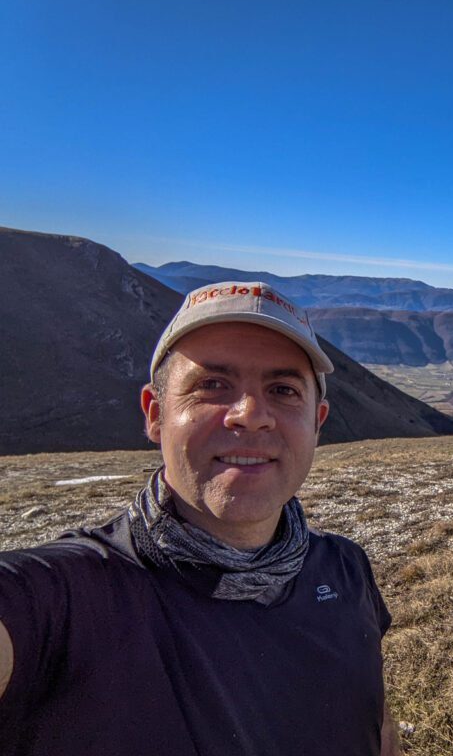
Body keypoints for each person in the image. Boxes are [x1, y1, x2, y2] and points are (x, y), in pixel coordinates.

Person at [0, 281, 401, 756]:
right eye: (212, 384)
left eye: (283, 389)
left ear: (318, 420)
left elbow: (374, 724)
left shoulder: (346, 568)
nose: (251, 415)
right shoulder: (66, 598)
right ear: (155, 414)